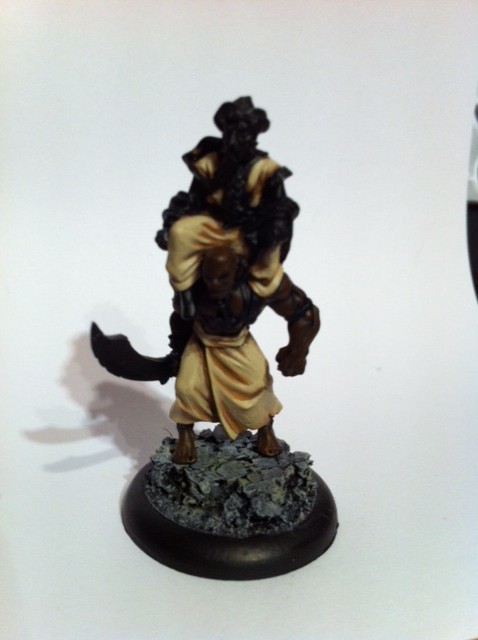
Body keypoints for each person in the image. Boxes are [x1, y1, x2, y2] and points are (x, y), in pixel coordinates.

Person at [168, 245, 320, 464]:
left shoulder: (255, 289)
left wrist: (297, 352)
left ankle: (265, 429)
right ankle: (185, 433)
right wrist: (177, 350)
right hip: (202, 344)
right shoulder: (191, 290)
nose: (214, 284)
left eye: (222, 277)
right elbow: (179, 318)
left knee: (255, 386)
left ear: (237, 272)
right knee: (187, 388)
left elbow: (304, 313)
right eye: (209, 277)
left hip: (238, 345)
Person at [156, 97, 300, 321]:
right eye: (230, 133)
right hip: (214, 225)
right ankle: (184, 291)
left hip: (250, 232)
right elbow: (195, 199)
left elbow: (280, 207)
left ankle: (261, 289)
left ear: (253, 136)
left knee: (268, 259)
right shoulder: (210, 162)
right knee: (180, 233)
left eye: (242, 134)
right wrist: (174, 221)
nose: (235, 140)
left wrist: (270, 229)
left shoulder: (266, 170)